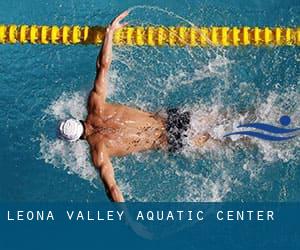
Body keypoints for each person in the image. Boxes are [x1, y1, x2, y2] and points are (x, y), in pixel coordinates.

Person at [58, 11, 210, 202]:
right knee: (226, 118)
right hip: (172, 118)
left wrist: (129, 221)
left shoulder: (99, 152)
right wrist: (109, 33)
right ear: (76, 119)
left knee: (228, 141)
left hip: (171, 140)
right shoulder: (95, 105)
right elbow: (103, 66)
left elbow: (112, 189)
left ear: (76, 140)